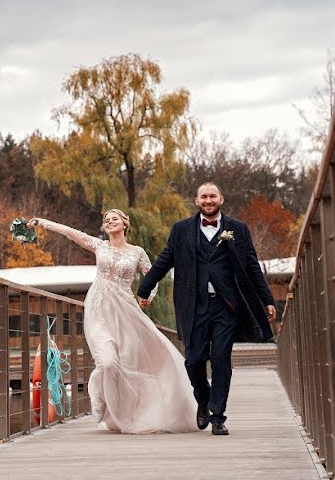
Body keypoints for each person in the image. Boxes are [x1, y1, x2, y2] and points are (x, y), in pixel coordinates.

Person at [26, 210, 198, 434]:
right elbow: (69, 232)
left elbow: (153, 274)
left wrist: (148, 296)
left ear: (125, 223)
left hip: (126, 311)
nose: (109, 222)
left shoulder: (137, 252)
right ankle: (105, 407)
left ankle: (129, 414)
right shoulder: (100, 246)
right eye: (106, 220)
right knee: (107, 362)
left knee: (128, 362)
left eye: (114, 218)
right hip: (99, 310)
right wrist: (42, 222)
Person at [137, 182, 276, 436]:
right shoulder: (181, 230)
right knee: (193, 361)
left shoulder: (238, 229)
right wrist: (144, 289)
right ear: (196, 200)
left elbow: (252, 267)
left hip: (227, 307)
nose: (208, 200)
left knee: (222, 359)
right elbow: (164, 260)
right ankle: (203, 399)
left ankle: (218, 416)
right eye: (204, 196)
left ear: (221, 199)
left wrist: (267, 299)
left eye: (213, 196)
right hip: (194, 306)